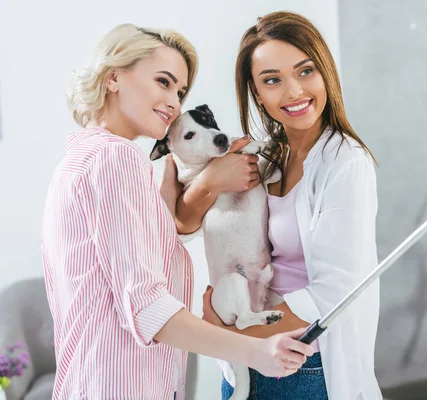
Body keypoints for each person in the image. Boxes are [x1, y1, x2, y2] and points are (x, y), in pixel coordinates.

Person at [40, 23, 314, 400]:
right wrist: (255, 352)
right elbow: (147, 305)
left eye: (181, 91)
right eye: (163, 82)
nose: (174, 102)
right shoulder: (117, 159)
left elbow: (125, 271)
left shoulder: (77, 162)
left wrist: (200, 186)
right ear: (114, 77)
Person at [174, 11, 382, 400]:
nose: (293, 92)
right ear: (256, 92)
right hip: (246, 362)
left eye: (305, 71)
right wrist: (209, 180)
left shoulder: (346, 163)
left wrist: (231, 336)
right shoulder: (265, 156)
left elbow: (335, 291)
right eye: (272, 80)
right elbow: (181, 225)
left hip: (301, 364)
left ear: (325, 73)